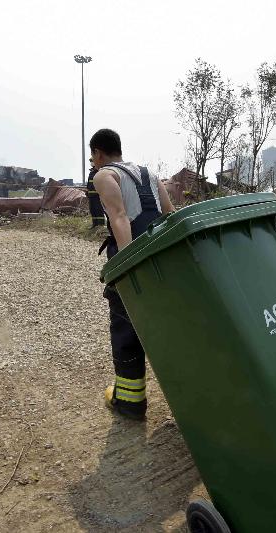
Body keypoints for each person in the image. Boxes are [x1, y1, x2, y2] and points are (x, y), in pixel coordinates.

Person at [90, 128, 175, 420]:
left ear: (98, 153)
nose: (93, 163)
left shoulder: (104, 175)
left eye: (93, 157)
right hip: (160, 259)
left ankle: (130, 404)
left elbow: (119, 217)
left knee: (126, 327)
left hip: (133, 258)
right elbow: (169, 214)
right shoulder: (150, 174)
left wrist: (128, 266)